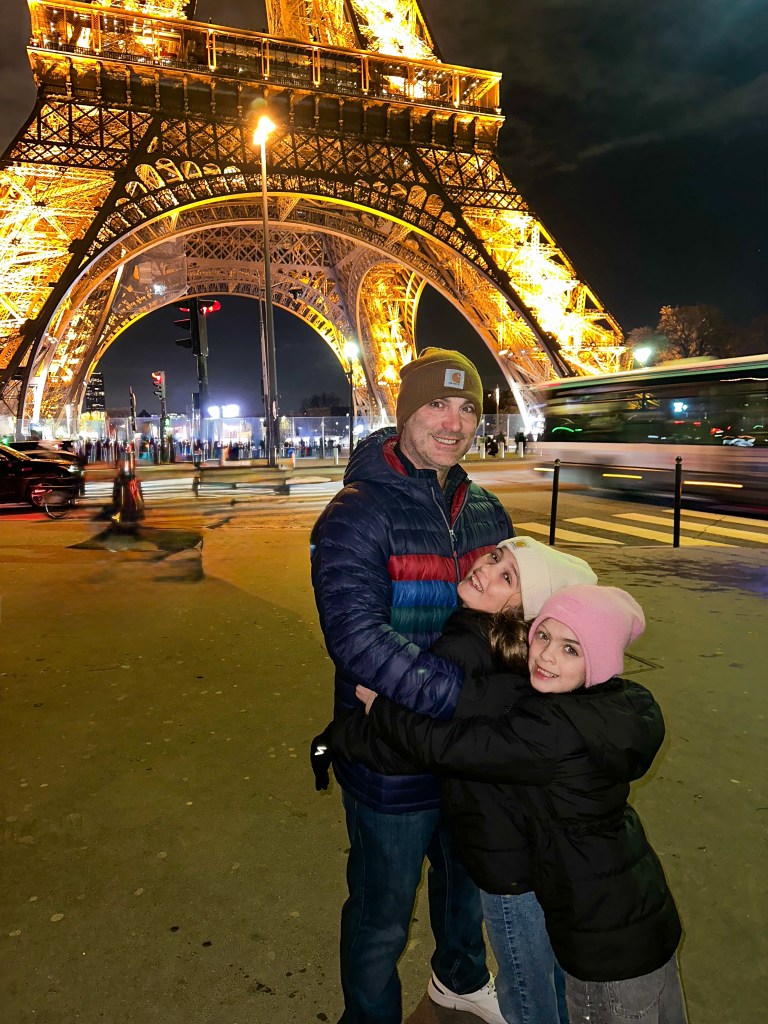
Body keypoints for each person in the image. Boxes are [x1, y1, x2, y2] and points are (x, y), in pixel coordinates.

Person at [328, 585, 687, 1024]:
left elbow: (449, 747)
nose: (546, 656)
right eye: (543, 636)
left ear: (599, 662)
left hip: (603, 945)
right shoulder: (618, 704)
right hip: (644, 914)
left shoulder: (552, 731)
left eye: (570, 648)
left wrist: (382, 708)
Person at [313, 537, 598, 1024]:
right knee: (442, 899)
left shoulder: (467, 645)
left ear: (524, 609)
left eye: (507, 576)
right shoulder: (509, 651)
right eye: (494, 558)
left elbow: (408, 743)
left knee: (382, 917)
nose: (485, 570)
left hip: (423, 796)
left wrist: (341, 737)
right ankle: (456, 979)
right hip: (467, 805)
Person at [310, 347, 513, 1024]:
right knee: (381, 913)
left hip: (468, 752)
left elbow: (517, 623)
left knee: (465, 889)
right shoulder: (357, 511)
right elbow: (357, 640)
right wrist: (461, 700)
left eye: (467, 407)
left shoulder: (488, 510)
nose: (453, 422)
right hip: (389, 754)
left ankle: (460, 978)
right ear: (403, 415)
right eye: (435, 404)